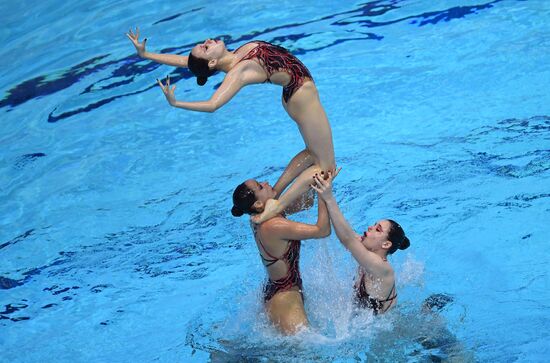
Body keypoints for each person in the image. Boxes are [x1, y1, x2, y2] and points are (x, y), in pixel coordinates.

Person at [126, 28, 335, 223]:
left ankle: (277, 195)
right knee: (325, 168)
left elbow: (187, 61)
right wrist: (176, 103)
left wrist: (146, 55)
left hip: (297, 95)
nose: (207, 41)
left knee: (311, 154)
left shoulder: (235, 55)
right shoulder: (238, 71)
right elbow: (212, 104)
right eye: (206, 48)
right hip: (301, 96)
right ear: (213, 61)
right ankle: (277, 205)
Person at [231, 174, 330, 334]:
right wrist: (325, 194)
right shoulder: (273, 225)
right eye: (260, 186)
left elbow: (307, 202)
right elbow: (323, 230)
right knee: (308, 355)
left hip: (277, 288)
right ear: (257, 203)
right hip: (285, 298)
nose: (266, 182)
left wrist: (317, 179)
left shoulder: (259, 216)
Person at [311, 170, 410, 314]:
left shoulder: (381, 267)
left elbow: (347, 239)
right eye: (374, 224)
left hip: (391, 333)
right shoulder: (367, 249)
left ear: (386, 244)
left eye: (378, 229)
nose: (370, 227)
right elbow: (346, 233)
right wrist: (325, 192)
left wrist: (329, 197)